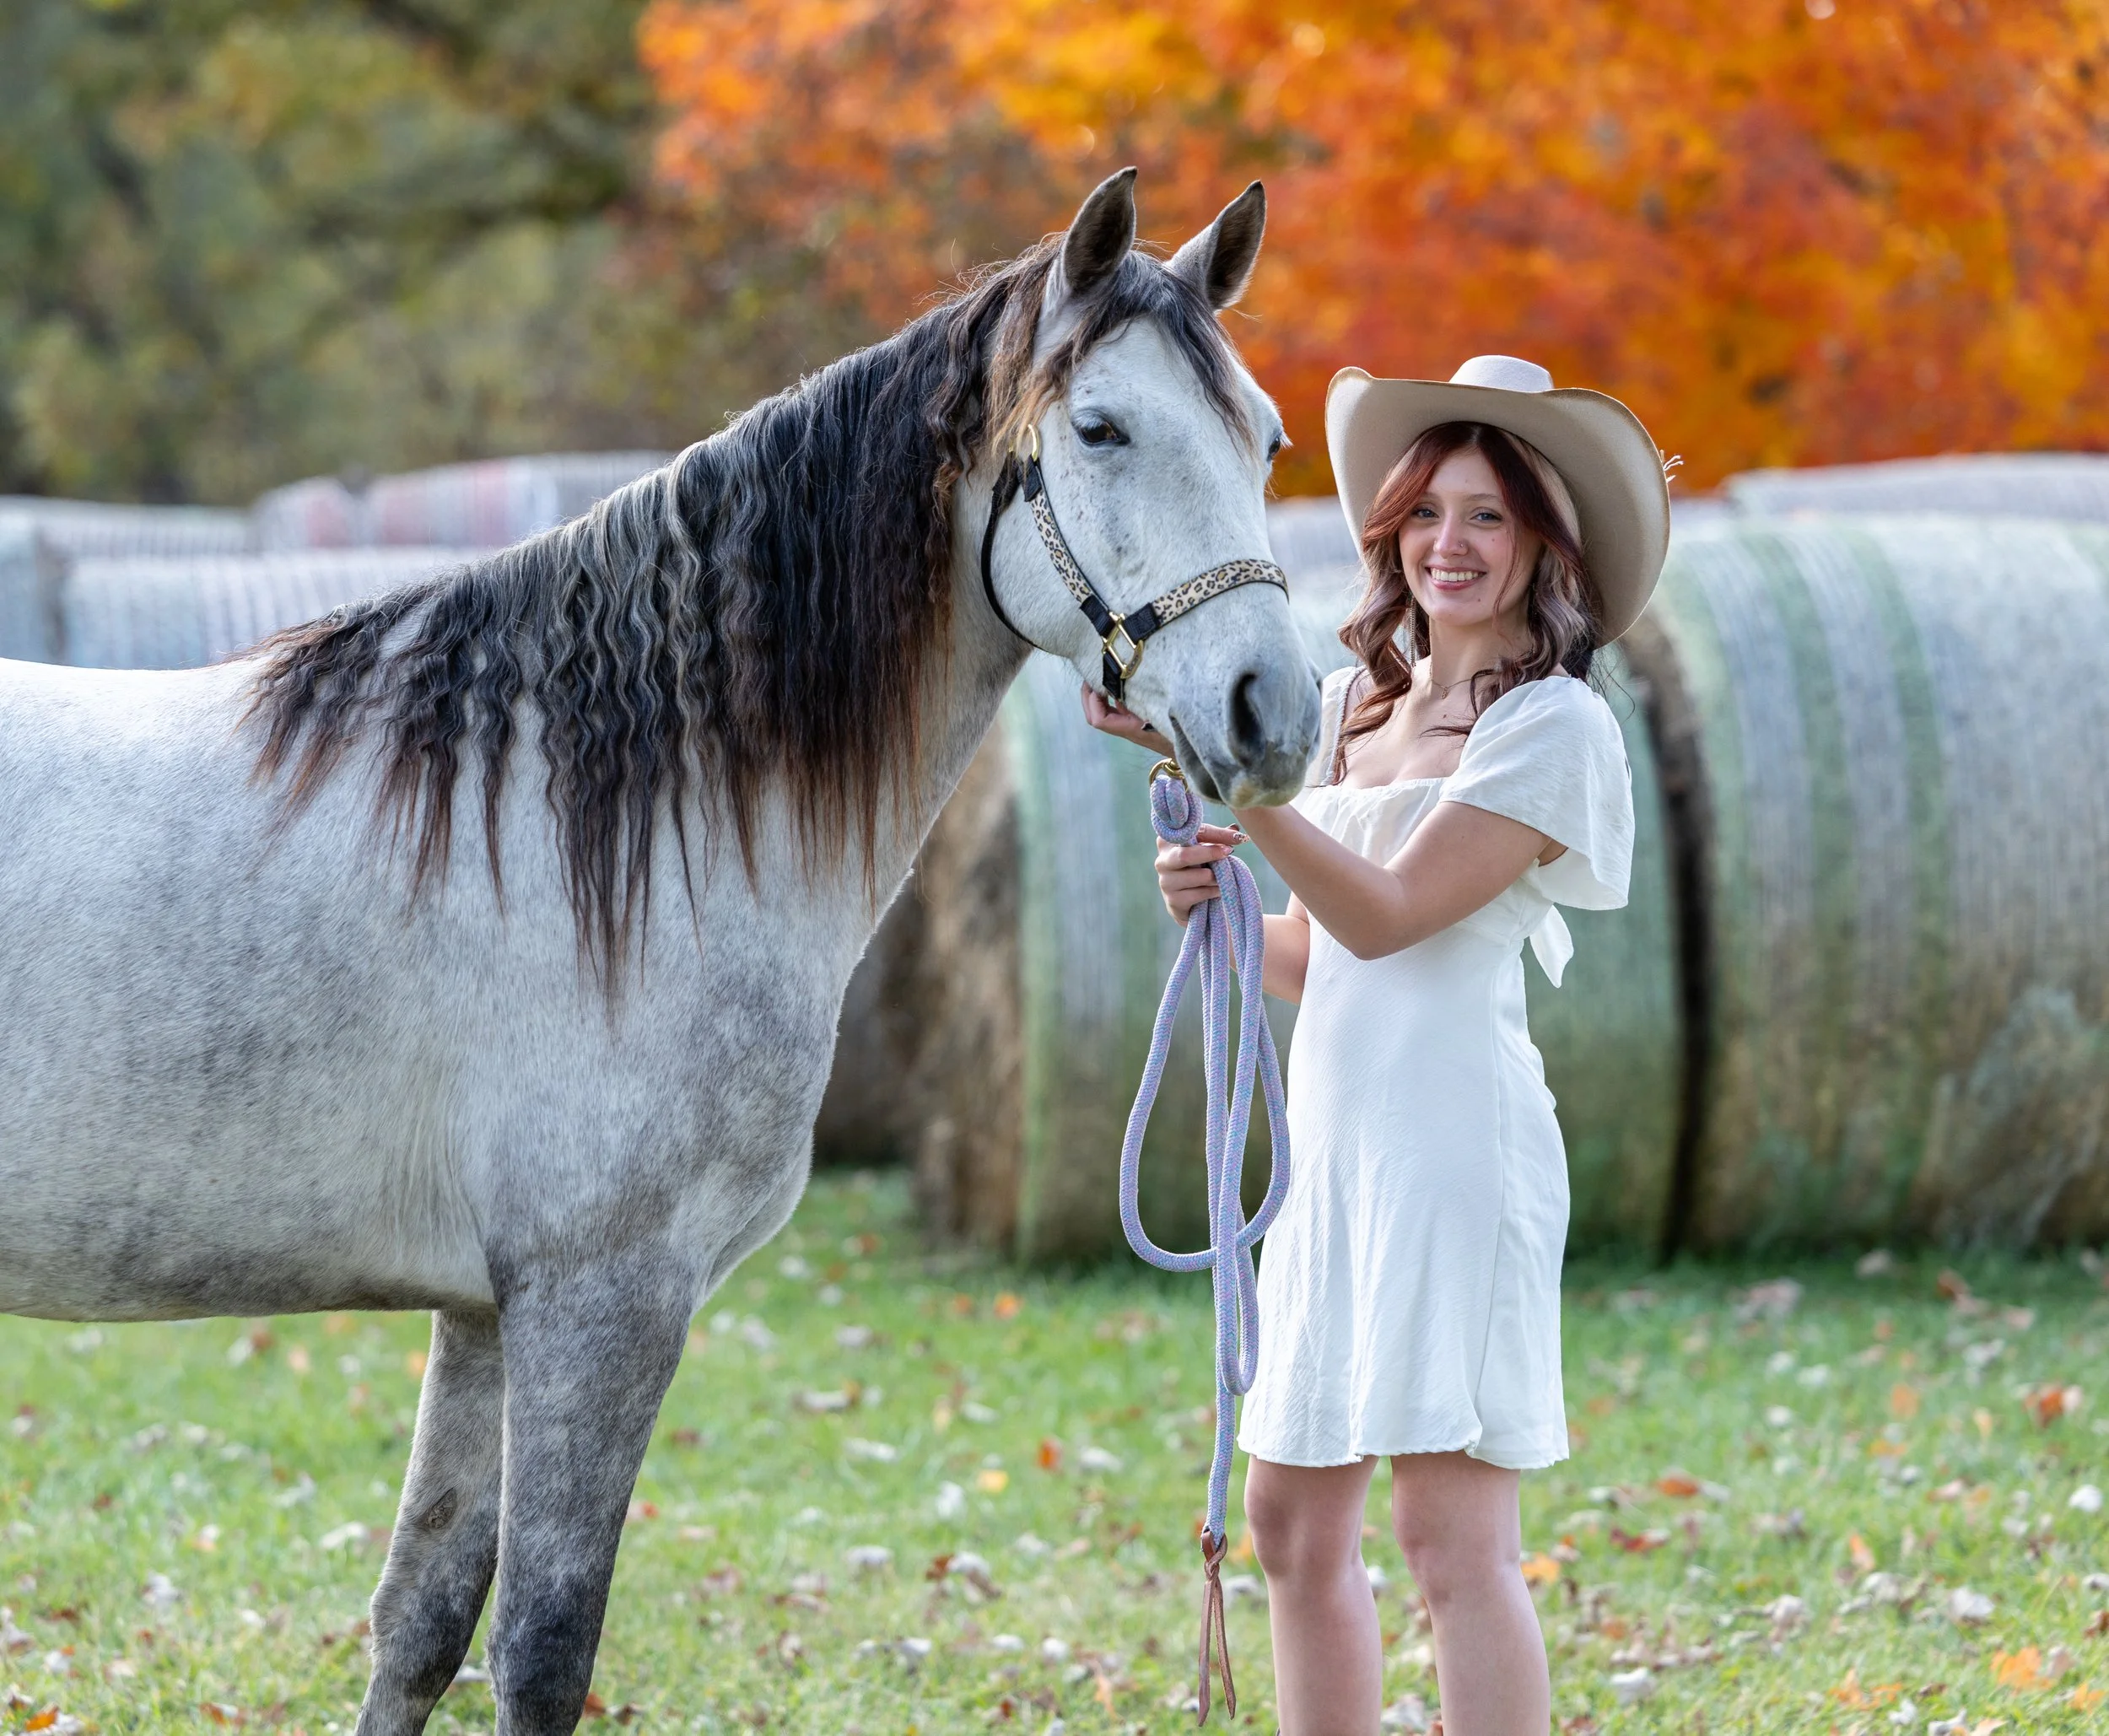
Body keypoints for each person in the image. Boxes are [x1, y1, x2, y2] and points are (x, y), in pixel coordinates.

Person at [1086, 355, 1670, 1735]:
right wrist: (1219, 893)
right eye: (1425, 514)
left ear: (1541, 544)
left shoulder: (1551, 727)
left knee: (1449, 1540)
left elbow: (1399, 915)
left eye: (1485, 516)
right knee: (1291, 1522)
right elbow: (1317, 950)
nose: (1448, 545)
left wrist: (1247, 785)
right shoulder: (1353, 710)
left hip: (1454, 1149)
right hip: (1335, 1156)